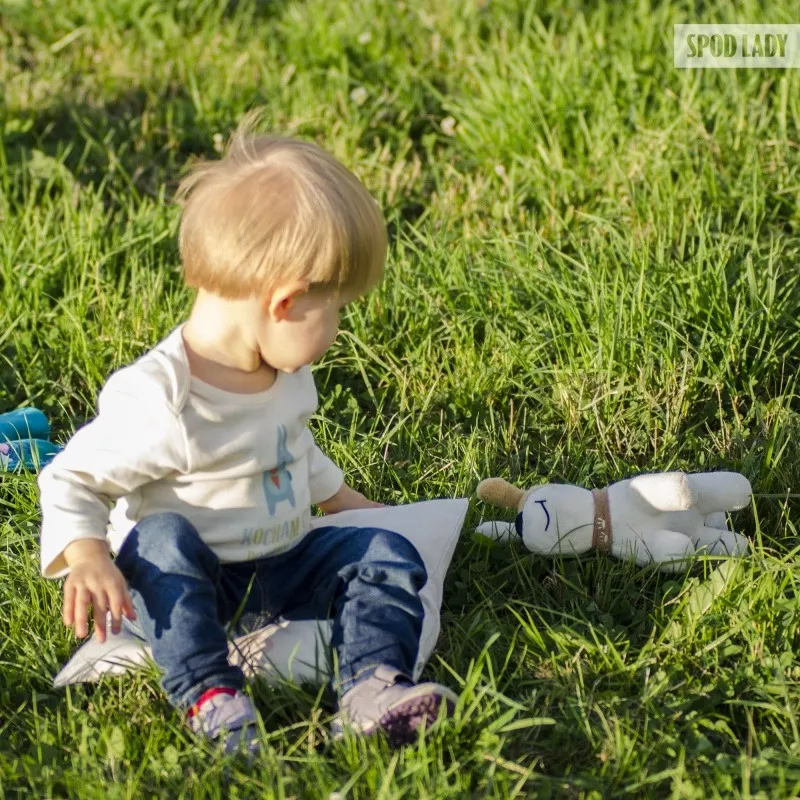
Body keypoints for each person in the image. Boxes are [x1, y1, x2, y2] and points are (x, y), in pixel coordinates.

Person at [37, 122, 457, 754]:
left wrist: (352, 507)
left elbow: (294, 453)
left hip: (282, 560)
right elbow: (71, 476)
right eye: (336, 307)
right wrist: (88, 554)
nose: (339, 326)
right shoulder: (162, 399)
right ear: (284, 303)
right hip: (197, 578)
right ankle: (210, 692)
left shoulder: (285, 372)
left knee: (386, 550)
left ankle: (371, 685)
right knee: (160, 542)